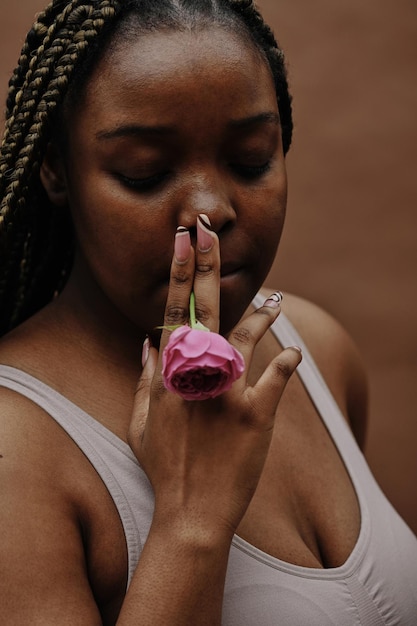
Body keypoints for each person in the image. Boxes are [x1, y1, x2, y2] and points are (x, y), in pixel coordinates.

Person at [0, 0, 416, 624]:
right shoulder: (17, 451)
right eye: (145, 172)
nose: (209, 209)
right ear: (57, 170)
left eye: (252, 158)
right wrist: (191, 522)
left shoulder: (318, 351)